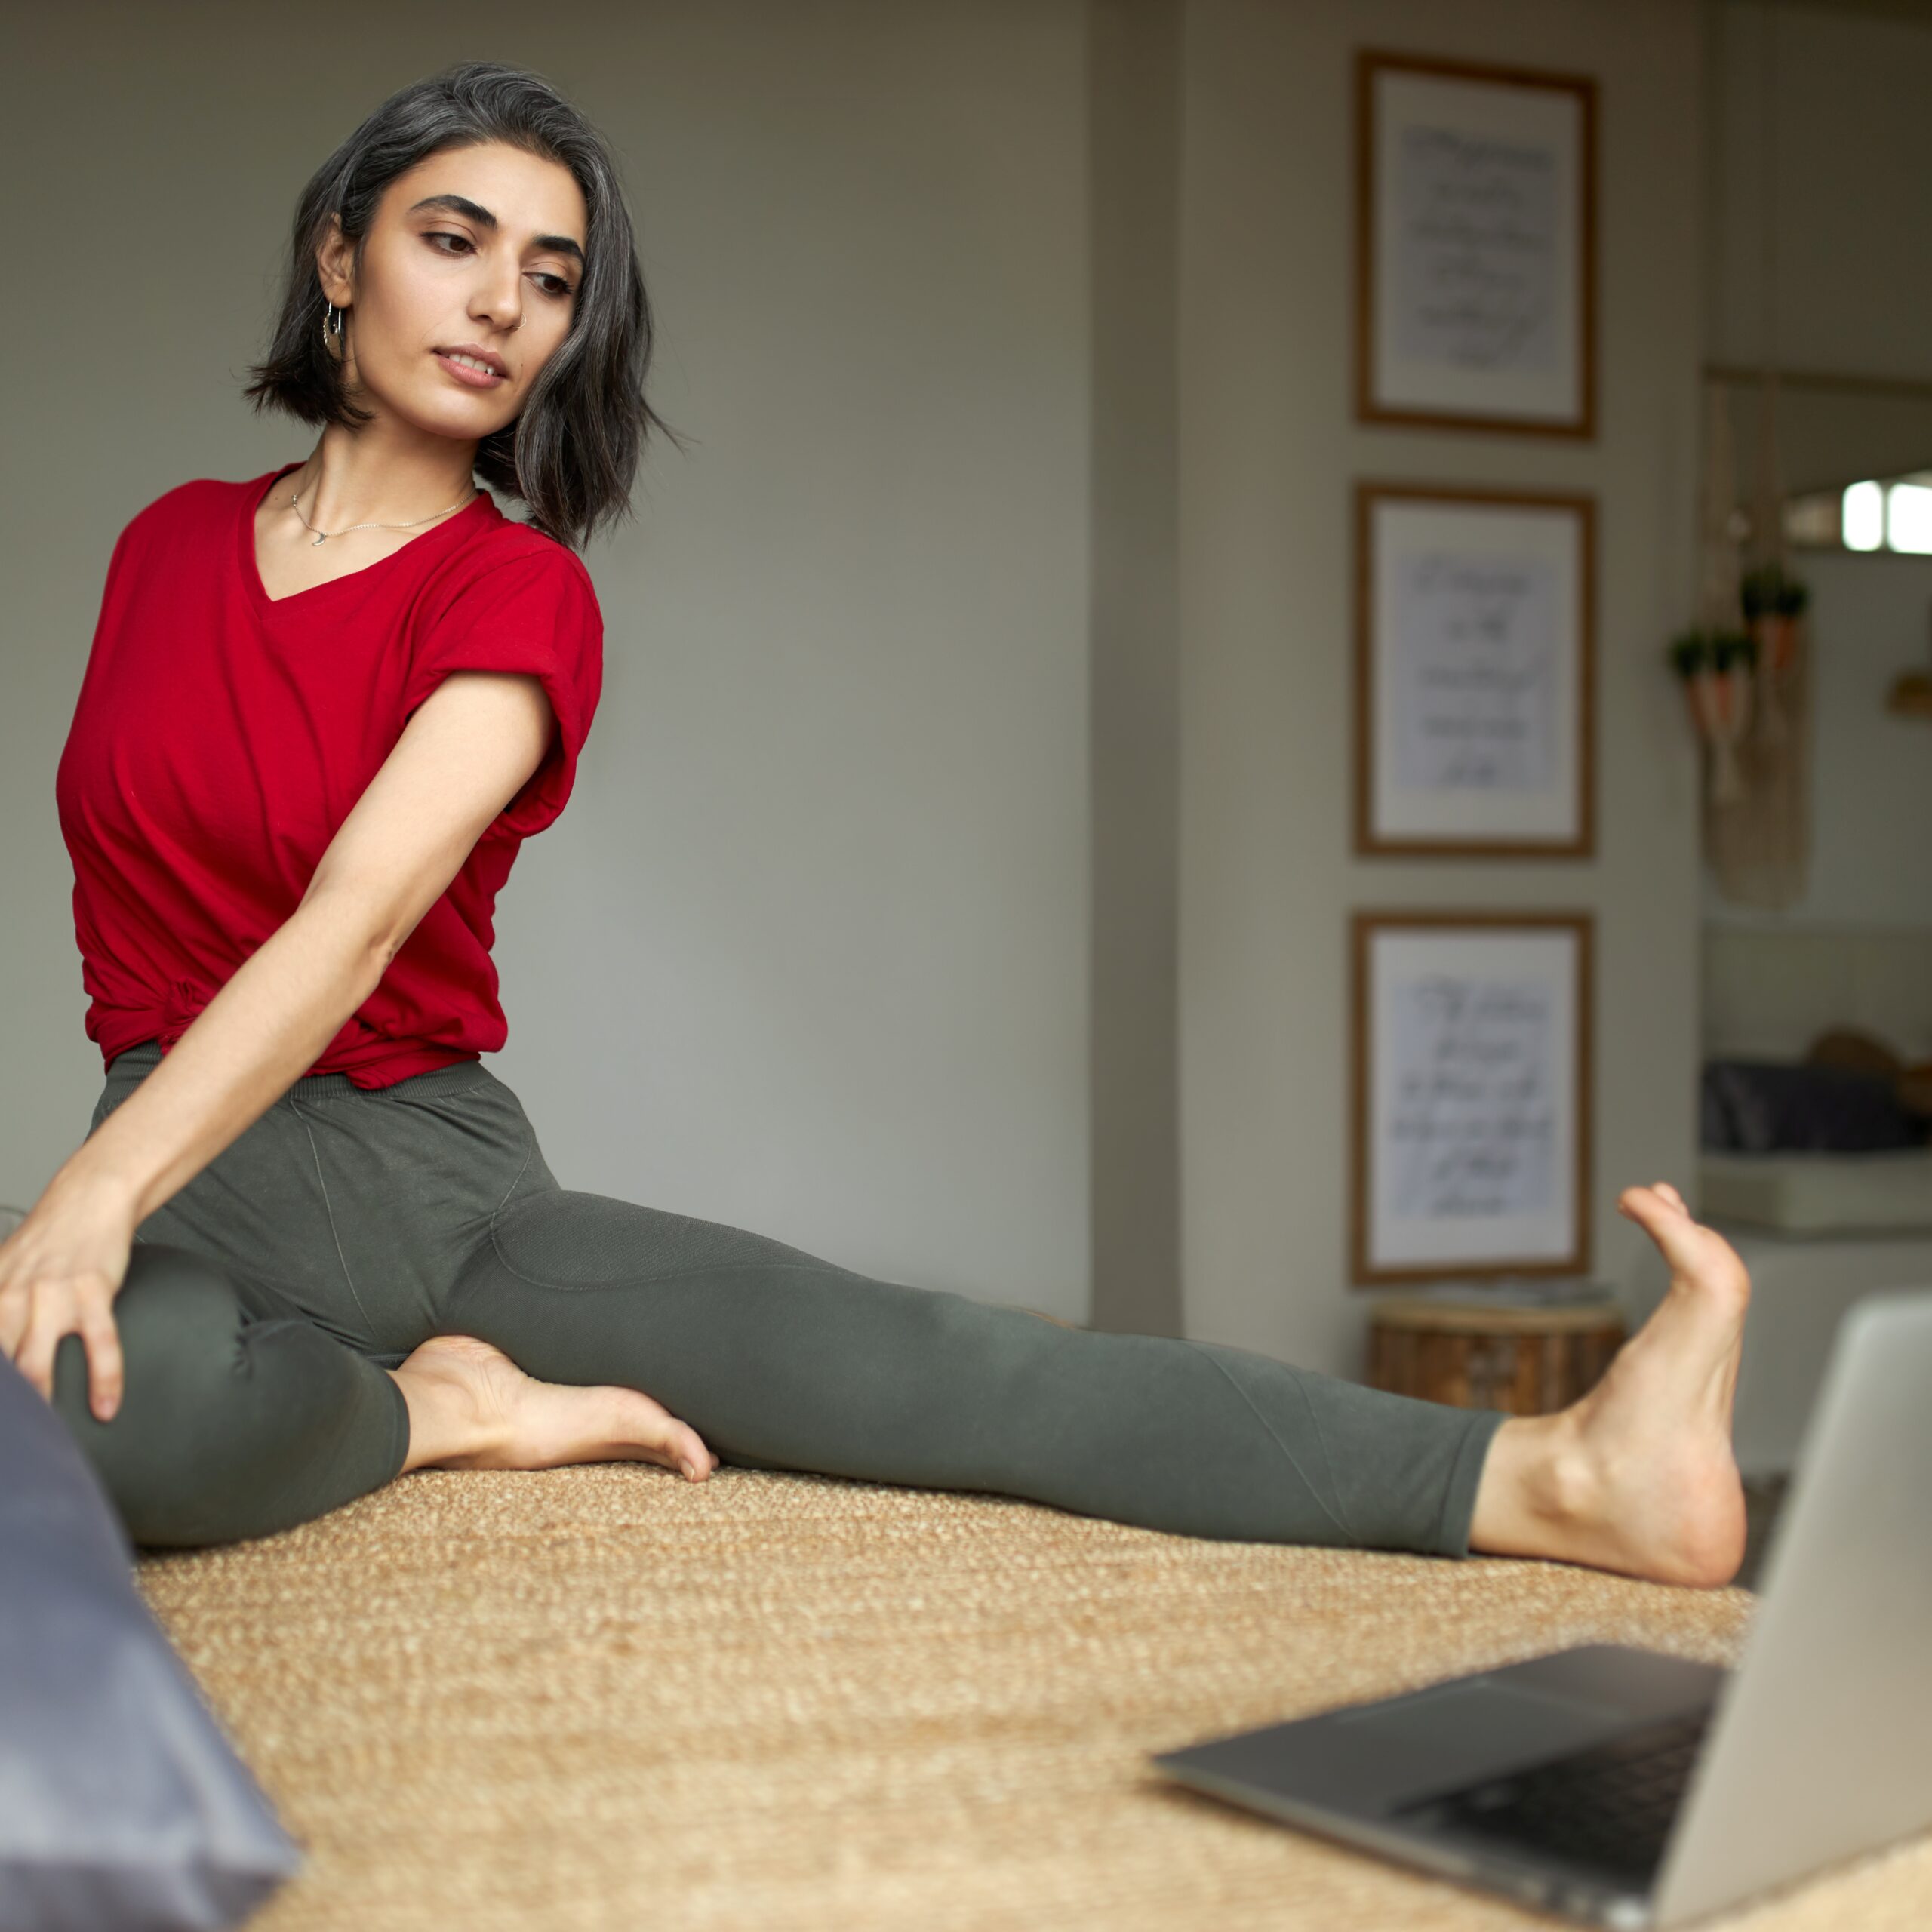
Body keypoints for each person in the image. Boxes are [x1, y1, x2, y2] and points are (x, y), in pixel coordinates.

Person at [0, 63, 1753, 1588]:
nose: (499, 307)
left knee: (943, 1364)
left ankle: (1548, 1473)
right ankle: (437, 1408)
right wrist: (123, 1188)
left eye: (550, 277)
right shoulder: (165, 545)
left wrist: (87, 1192)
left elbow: (353, 924)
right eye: (450, 240)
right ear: (339, 256)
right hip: (184, 1179)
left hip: (435, 1195)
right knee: (83, 1423)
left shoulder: (514, 594)